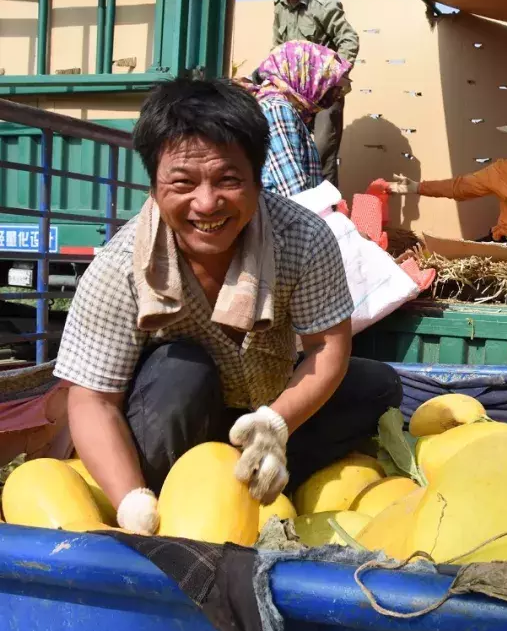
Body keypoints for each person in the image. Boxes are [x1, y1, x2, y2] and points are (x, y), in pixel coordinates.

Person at [54, 78, 402, 535]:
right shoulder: (121, 267)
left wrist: (279, 422)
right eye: (182, 183)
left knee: (376, 386)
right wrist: (129, 501)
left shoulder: (303, 238)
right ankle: (174, 495)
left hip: (266, 415)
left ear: (259, 179)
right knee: (181, 369)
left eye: (228, 180)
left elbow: (327, 346)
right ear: (156, 187)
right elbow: (93, 400)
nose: (206, 203)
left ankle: (260, 474)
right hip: (172, 427)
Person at [388, 109, 507, 255]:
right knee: (456, 256)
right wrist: (417, 187)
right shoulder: (501, 171)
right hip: (506, 244)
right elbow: (461, 187)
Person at [268, 0, 359, 187]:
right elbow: (278, 49)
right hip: (293, 95)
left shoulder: (323, 2)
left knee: (321, 154)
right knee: (291, 152)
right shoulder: (279, 4)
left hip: (325, 93)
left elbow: (349, 39)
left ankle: (327, 217)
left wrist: (334, 78)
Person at [239, 40, 352, 198]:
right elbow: (295, 192)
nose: (328, 95)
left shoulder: (283, 108)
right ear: (305, 75)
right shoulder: (277, 109)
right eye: (323, 82)